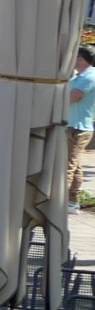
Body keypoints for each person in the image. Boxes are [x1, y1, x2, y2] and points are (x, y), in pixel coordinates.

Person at [70, 46, 95, 209]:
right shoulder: (79, 76)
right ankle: (72, 201)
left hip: (78, 128)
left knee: (67, 167)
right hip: (73, 125)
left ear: (80, 59)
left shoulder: (89, 77)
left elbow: (72, 97)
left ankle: (56, 203)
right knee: (75, 165)